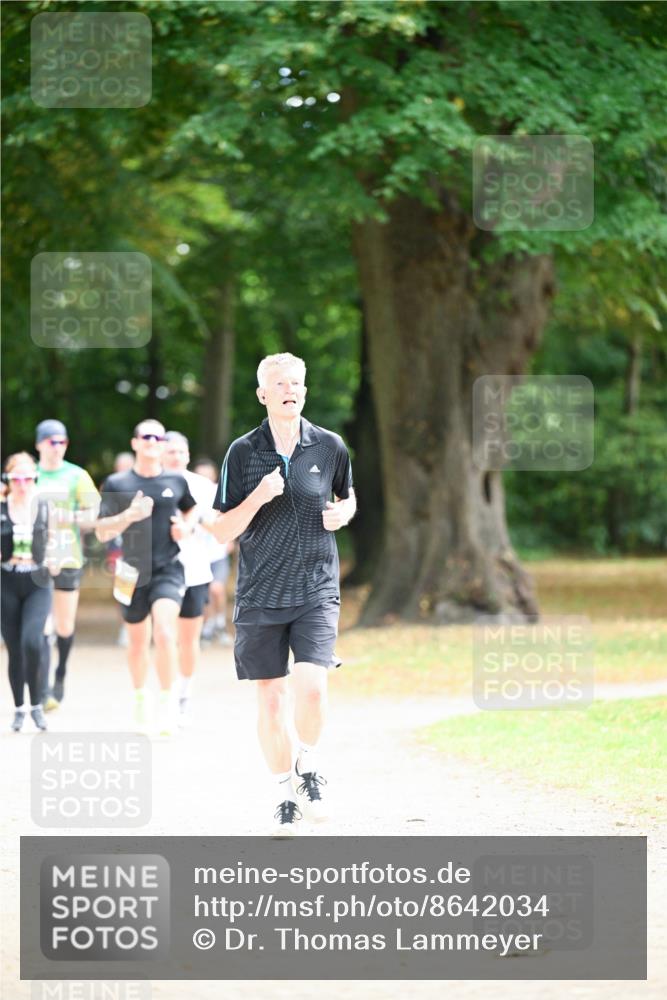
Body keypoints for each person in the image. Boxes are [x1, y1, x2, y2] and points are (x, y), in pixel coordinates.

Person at [207, 352, 356, 835]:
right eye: (279, 383)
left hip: (315, 587)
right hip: (259, 593)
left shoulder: (329, 446)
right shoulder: (242, 453)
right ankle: (283, 797)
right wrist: (258, 496)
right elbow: (219, 530)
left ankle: (307, 766)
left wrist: (344, 513)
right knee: (271, 702)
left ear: (305, 392)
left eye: (297, 383)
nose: (290, 389)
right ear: (262, 394)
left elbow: (346, 497)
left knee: (312, 686)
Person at [95, 420, 197, 736]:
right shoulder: (117, 482)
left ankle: (168, 702)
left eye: (158, 436)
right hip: (130, 571)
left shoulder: (176, 480)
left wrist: (186, 527)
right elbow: (101, 532)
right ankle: (141, 696)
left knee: (165, 632)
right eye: (146, 436)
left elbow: (191, 511)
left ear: (164, 444)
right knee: (137, 642)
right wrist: (129, 515)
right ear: (135, 443)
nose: (153, 441)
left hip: (168, 568)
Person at [34, 419, 100, 708]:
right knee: (40, 624)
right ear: (39, 445)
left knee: (63, 624)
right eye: (51, 442)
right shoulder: (28, 475)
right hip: (33, 559)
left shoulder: (77, 475)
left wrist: (68, 518)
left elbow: (93, 516)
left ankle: (59, 675)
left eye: (62, 442)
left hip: (68, 556)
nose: (57, 447)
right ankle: (41, 685)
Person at [163, 432, 219, 726]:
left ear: (188, 455)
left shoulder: (202, 487)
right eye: (170, 451)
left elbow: (219, 526)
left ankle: (184, 692)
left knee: (188, 638)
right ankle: (167, 695)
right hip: (159, 572)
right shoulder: (149, 483)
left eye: (181, 451)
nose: (176, 456)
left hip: (195, 569)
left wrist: (192, 521)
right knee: (164, 635)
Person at [1, 453, 53, 732]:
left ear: (35, 479)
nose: (23, 484)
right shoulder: (0, 506)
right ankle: (19, 708)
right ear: (7, 480)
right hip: (7, 580)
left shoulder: (44, 506)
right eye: (16, 478)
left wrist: (56, 558)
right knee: (15, 649)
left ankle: (37, 705)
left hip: (37, 581)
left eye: (28, 478)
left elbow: (58, 538)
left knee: (32, 641)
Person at [193, 457, 233, 645]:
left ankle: (220, 621)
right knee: (206, 591)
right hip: (199, 552)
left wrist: (231, 538)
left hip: (218, 551)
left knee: (217, 589)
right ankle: (208, 626)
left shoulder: (221, 492)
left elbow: (231, 516)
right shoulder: (191, 493)